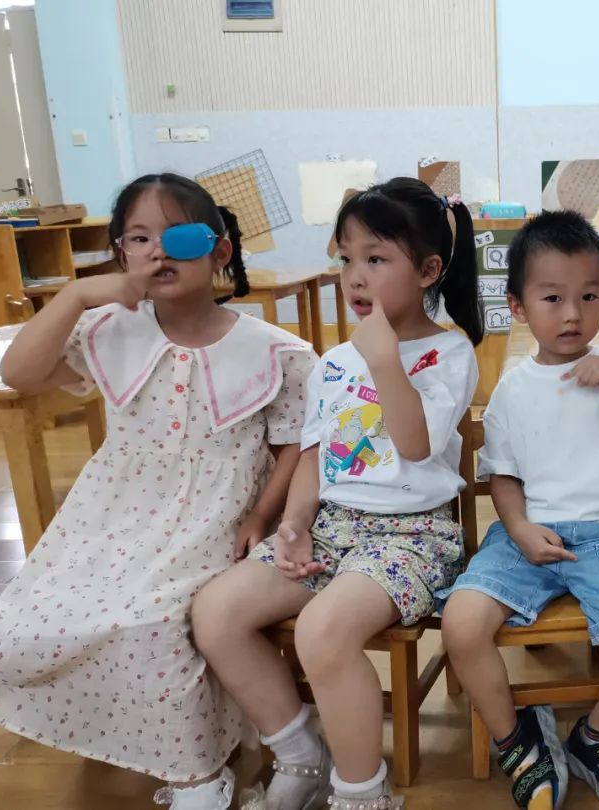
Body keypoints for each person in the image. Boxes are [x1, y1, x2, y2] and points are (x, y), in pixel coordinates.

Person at [0, 173, 317, 810]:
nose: (158, 251)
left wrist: (262, 514)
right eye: (138, 239)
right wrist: (77, 294)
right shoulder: (109, 330)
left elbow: (295, 444)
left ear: (219, 252)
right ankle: (130, 736)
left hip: (211, 515)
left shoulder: (275, 351)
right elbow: (19, 373)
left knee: (153, 620)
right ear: (121, 254)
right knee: (19, 627)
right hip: (113, 513)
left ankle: (199, 777)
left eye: (179, 237)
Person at [192, 178, 483, 810]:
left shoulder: (449, 352)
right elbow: (315, 452)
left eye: (376, 258)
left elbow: (416, 445)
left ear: (428, 270)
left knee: (321, 632)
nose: (355, 276)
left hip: (411, 537)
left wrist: (384, 361)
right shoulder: (334, 361)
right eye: (346, 257)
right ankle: (301, 753)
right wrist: (295, 523)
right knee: (214, 613)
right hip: (332, 527)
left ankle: (361, 794)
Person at [439, 210, 599, 810]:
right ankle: (517, 739)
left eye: (589, 296)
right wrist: (520, 528)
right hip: (527, 535)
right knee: (461, 624)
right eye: (553, 298)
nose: (573, 314)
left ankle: (594, 736)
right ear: (520, 307)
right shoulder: (512, 389)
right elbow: (504, 476)